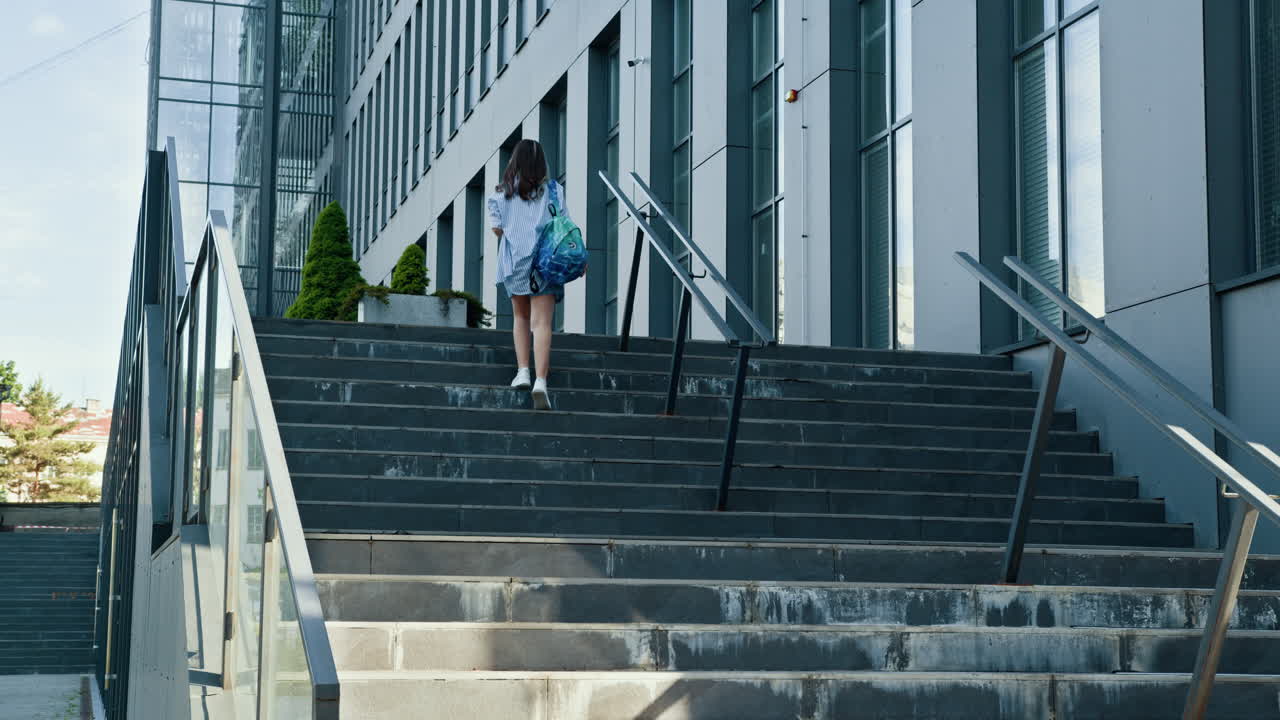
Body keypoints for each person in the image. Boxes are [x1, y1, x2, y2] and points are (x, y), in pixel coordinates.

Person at [487, 139, 570, 410]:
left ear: (515, 162)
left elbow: (497, 230)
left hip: (515, 263)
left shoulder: (500, 194)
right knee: (542, 323)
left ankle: (523, 371)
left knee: (521, 317)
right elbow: (564, 224)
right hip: (546, 261)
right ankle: (541, 381)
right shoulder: (554, 191)